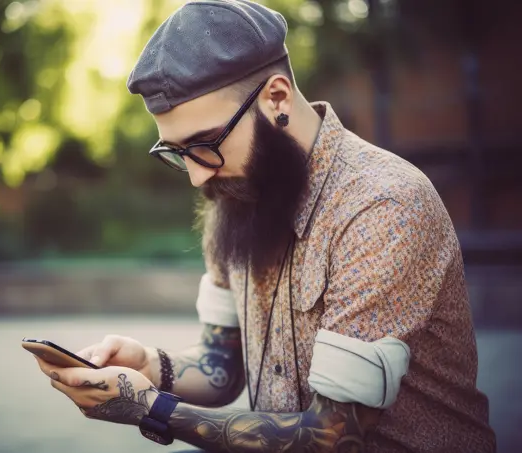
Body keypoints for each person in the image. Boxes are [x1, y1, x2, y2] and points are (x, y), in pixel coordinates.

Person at [33, 1, 496, 451]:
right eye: (177, 152)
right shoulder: (234, 192)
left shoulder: (384, 205)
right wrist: (150, 365)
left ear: (276, 97)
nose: (197, 175)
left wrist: (150, 408)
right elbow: (222, 365)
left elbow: (333, 435)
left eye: (204, 143)